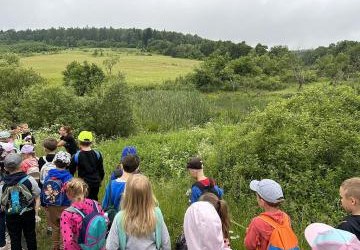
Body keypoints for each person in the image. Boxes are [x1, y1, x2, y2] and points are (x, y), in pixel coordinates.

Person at [106, 174, 171, 250]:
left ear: (127, 195)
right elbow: (166, 242)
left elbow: (111, 246)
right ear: (149, 195)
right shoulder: (156, 214)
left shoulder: (120, 218)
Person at [244, 179, 299, 250]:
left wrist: (249, 233)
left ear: (262, 202)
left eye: (257, 196)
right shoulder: (286, 217)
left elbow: (250, 245)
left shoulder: (257, 222)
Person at [1, 153, 40, 250]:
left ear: (5, 168)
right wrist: (36, 213)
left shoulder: (3, 185)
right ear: (21, 165)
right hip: (28, 212)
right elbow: (37, 196)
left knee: (14, 238)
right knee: (30, 236)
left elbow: (2, 203)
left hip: (11, 215)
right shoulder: (30, 179)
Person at [60, 177, 106, 250]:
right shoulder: (95, 204)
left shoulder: (67, 214)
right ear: (84, 191)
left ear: (68, 194)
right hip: (98, 245)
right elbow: (105, 222)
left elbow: (68, 241)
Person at [41, 151, 73, 250]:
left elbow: (44, 190)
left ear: (54, 162)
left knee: (55, 227)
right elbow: (72, 194)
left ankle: (55, 247)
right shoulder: (69, 178)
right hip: (66, 206)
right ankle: (64, 247)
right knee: (65, 227)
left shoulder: (49, 175)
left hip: (51, 204)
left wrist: (44, 203)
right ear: (68, 164)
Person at [69, 131, 104, 201]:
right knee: (94, 201)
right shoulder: (98, 154)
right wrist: (100, 180)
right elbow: (101, 171)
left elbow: (71, 172)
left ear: (79, 142)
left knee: (83, 201)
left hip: (82, 185)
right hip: (95, 183)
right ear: (91, 142)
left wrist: (73, 183)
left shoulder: (76, 156)